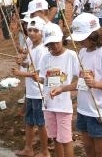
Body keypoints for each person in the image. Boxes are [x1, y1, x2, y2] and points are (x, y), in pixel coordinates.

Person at [51, 13, 102, 157]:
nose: (79, 42)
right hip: (83, 110)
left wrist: (95, 83)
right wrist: (62, 88)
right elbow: (82, 82)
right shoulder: (82, 52)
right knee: (88, 148)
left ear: (94, 36)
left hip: (100, 111)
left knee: (101, 151)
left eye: (82, 38)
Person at [36, 23, 80, 157]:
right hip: (48, 104)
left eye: (56, 42)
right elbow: (44, 79)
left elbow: (81, 78)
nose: (53, 46)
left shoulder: (71, 55)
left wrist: (63, 88)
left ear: (62, 39)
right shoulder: (45, 57)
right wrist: (36, 78)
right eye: (50, 44)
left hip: (64, 106)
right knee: (55, 138)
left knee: (66, 139)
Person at [11, 17, 50, 157]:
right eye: (30, 30)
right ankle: (28, 149)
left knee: (40, 123)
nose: (32, 33)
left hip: (39, 93)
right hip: (31, 92)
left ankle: (45, 151)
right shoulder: (32, 47)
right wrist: (22, 62)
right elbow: (31, 65)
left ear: (42, 32)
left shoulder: (42, 50)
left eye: (35, 31)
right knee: (29, 121)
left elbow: (37, 73)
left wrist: (20, 72)